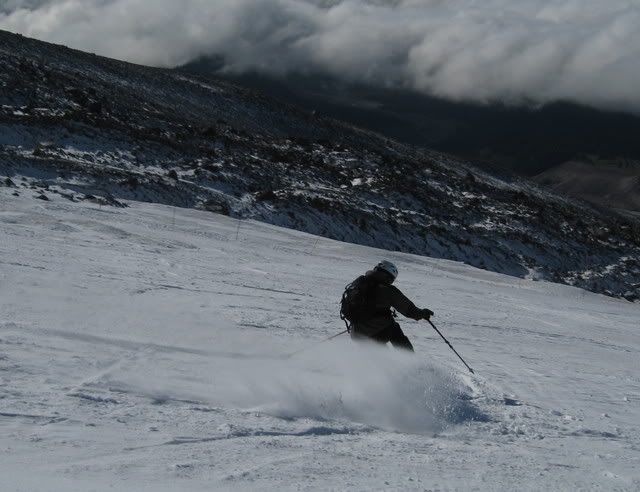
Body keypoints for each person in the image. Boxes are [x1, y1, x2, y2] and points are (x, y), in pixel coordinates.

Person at [345, 260, 433, 352]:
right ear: (388, 276)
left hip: (356, 333)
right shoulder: (387, 290)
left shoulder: (360, 283)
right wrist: (423, 313)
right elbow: (409, 310)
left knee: (377, 353)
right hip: (376, 331)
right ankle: (409, 357)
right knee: (394, 329)